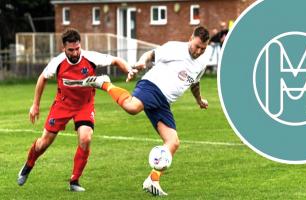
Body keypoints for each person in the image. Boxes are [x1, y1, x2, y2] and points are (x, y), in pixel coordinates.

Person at [64, 26, 210, 196]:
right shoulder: (175, 48)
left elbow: (194, 83)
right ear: (191, 38)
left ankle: (152, 180)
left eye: (203, 48)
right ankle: (105, 83)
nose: (199, 51)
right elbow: (151, 55)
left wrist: (199, 100)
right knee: (132, 108)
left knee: (173, 142)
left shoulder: (201, 63)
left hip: (164, 102)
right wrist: (142, 62)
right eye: (197, 46)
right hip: (152, 86)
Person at [17, 28, 130, 192]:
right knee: (43, 143)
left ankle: (74, 181)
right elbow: (42, 78)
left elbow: (116, 60)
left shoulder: (90, 57)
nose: (75, 52)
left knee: (85, 138)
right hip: (62, 105)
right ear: (64, 48)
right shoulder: (58, 62)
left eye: (77, 48)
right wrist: (35, 105)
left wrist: (128, 69)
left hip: (84, 105)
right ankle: (28, 165)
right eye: (71, 50)